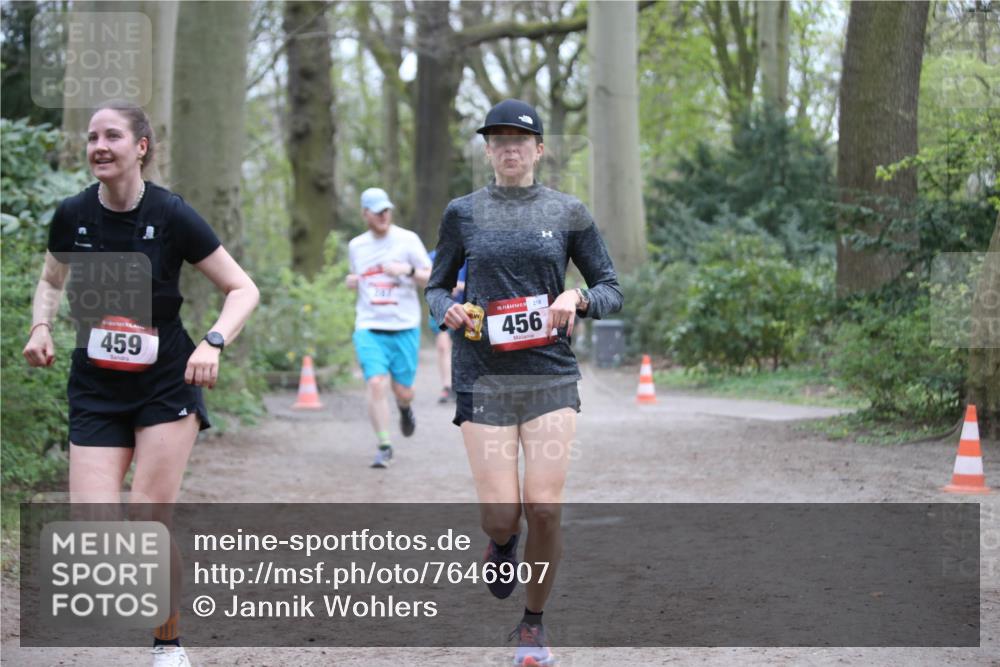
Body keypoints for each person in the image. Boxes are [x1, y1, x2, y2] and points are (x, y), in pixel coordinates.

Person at [22, 101, 259, 667]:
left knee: (150, 519)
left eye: (112, 136)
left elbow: (242, 288)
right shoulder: (73, 213)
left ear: (141, 147)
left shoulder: (173, 215)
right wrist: (40, 325)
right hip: (96, 385)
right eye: (91, 137)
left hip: (165, 383)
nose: (98, 146)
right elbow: (51, 279)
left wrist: (214, 342)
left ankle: (168, 642)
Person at [426, 99, 623, 667]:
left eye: (521, 139)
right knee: (502, 513)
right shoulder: (462, 213)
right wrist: (449, 310)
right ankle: (501, 542)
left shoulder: (568, 212)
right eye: (499, 139)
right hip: (483, 377)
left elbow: (610, 286)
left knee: (545, 506)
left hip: (549, 375)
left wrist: (577, 296)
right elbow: (437, 287)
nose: (509, 147)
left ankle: (533, 625)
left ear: (539, 150)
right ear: (488, 151)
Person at [346, 187, 433, 468]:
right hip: (369, 325)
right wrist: (352, 282)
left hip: (404, 325)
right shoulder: (357, 246)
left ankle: (405, 408)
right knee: (375, 383)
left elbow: (430, 278)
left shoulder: (408, 240)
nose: (383, 215)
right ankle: (384, 444)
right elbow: (358, 277)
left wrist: (406, 271)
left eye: (387, 210)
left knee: (403, 391)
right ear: (365, 214)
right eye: (377, 211)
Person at [427, 248, 467, 403]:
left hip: (468, 308)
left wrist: (460, 285)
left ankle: (462, 385)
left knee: (464, 349)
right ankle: (447, 387)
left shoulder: (471, 252)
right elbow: (427, 279)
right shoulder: (433, 256)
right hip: (441, 308)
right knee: (443, 346)